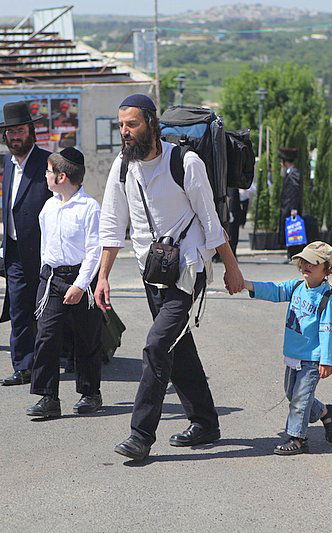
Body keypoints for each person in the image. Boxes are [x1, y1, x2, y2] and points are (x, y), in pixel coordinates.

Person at [96, 94, 245, 461]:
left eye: (132, 124)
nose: (125, 132)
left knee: (156, 345)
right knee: (177, 346)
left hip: (188, 268)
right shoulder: (122, 167)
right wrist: (103, 277)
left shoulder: (185, 162)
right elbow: (112, 225)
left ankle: (140, 434)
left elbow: (211, 221)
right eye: (121, 126)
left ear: (150, 121)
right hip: (152, 271)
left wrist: (231, 267)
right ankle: (206, 421)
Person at [26, 147, 104, 418]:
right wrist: (44, 273)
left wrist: (81, 285)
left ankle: (90, 393)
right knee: (46, 336)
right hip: (51, 280)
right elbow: (45, 244)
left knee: (86, 338)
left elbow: (95, 250)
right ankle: (48, 397)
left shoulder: (90, 207)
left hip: (81, 281)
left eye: (48, 171)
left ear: (61, 177)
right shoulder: (48, 206)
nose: (45, 176)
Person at [243, 241, 332, 455]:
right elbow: (274, 290)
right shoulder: (296, 288)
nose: (306, 266)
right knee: (293, 394)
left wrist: (326, 360)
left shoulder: (327, 299)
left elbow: (328, 332)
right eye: (304, 261)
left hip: (312, 359)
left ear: (327, 270)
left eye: (313, 263)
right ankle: (326, 413)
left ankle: (297, 439)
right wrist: (246, 284)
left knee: (300, 399)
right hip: (293, 355)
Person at [0, 101, 52, 386]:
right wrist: (3, 247)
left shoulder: (48, 163)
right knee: (19, 309)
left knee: (49, 311)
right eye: (10, 132)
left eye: (19, 130)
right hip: (16, 251)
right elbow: (9, 208)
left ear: (31, 131)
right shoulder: (8, 163)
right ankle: (24, 366)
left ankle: (66, 357)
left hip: (45, 253)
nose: (15, 136)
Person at [278, 147, 304, 260]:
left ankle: (294, 255)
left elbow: (295, 192)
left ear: (285, 162)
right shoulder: (290, 173)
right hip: (288, 207)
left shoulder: (294, 174)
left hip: (291, 208)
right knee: (290, 231)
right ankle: (291, 254)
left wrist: (294, 209)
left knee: (293, 231)